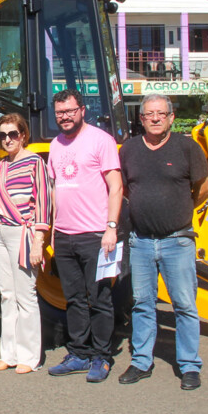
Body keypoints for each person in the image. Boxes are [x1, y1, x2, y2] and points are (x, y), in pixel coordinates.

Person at [118, 94, 208, 391]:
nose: (155, 118)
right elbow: (123, 188)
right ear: (141, 119)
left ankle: (189, 366)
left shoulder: (187, 148)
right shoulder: (130, 149)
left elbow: (206, 187)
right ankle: (141, 361)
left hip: (177, 242)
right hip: (142, 241)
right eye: (149, 114)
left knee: (184, 305)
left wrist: (181, 209)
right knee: (142, 304)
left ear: (171, 117)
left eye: (161, 113)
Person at [46, 88, 123, 383]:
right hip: (65, 235)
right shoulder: (55, 145)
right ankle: (79, 352)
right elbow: (54, 191)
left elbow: (115, 186)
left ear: (82, 111)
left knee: (100, 298)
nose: (65, 117)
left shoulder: (101, 141)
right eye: (60, 113)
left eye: (70, 111)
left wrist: (111, 227)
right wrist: (53, 232)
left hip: (95, 235)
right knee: (74, 298)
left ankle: (101, 357)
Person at [0, 113, 51, 374]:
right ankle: (9, 354)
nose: (7, 139)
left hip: (23, 234)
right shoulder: (2, 165)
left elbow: (43, 204)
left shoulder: (36, 162)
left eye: (12, 134)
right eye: (2, 135)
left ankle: (29, 357)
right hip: (1, 234)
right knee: (6, 295)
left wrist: (39, 242)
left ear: (23, 135)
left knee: (26, 296)